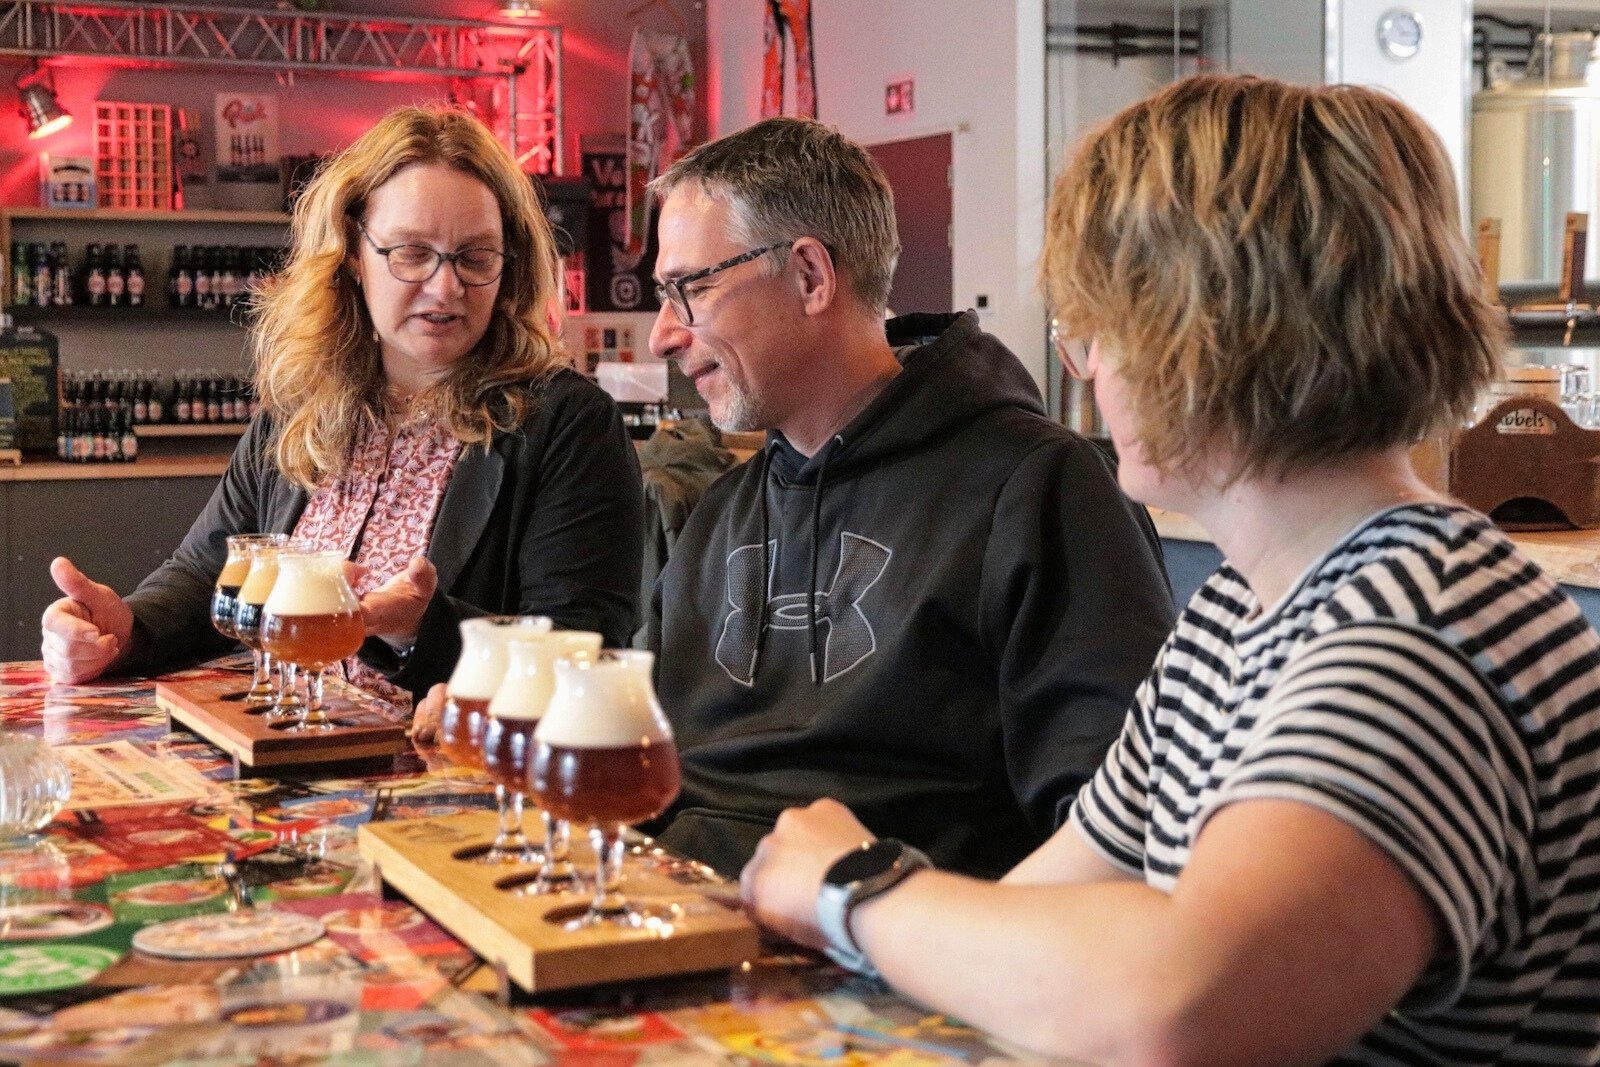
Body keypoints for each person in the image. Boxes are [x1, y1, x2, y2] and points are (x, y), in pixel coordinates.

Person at [740, 75, 1600, 1065]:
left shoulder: (1424, 629)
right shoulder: (1239, 609)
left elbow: (1185, 999)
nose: (1080, 367)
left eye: (1099, 325)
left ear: (1220, 325)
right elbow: (1056, 908)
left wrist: (854, 887)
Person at [634, 116, 1174, 879]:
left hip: (885, 954)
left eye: (691, 288)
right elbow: (635, 761)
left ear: (811, 277)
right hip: (673, 914)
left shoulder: (1037, 488)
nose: (663, 334)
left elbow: (1109, 833)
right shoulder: (724, 511)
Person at [40, 106, 644, 704]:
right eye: (412, 252)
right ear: (355, 255)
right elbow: (209, 572)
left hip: (449, 781)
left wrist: (415, 629)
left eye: (475, 256)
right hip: (284, 754)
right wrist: (127, 629)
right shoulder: (303, 407)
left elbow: (581, 652)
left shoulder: (566, 423)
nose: (446, 286)